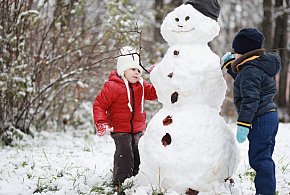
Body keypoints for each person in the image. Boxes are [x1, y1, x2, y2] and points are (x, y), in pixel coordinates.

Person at [221, 28, 281, 195]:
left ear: (244, 52)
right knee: (264, 156)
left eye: (236, 52)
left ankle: (265, 192)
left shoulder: (250, 70)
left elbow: (250, 99)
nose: (234, 55)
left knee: (260, 159)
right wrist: (230, 66)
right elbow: (246, 82)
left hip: (260, 118)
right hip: (269, 115)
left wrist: (243, 123)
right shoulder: (257, 66)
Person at [93, 46, 157, 191]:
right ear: (123, 69)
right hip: (119, 128)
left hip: (138, 129)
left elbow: (154, 93)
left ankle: (136, 178)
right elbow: (99, 105)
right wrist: (101, 122)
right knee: (125, 152)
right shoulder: (112, 86)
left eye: (139, 70)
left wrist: (158, 77)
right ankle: (120, 182)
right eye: (133, 69)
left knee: (138, 151)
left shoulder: (141, 86)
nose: (137, 72)